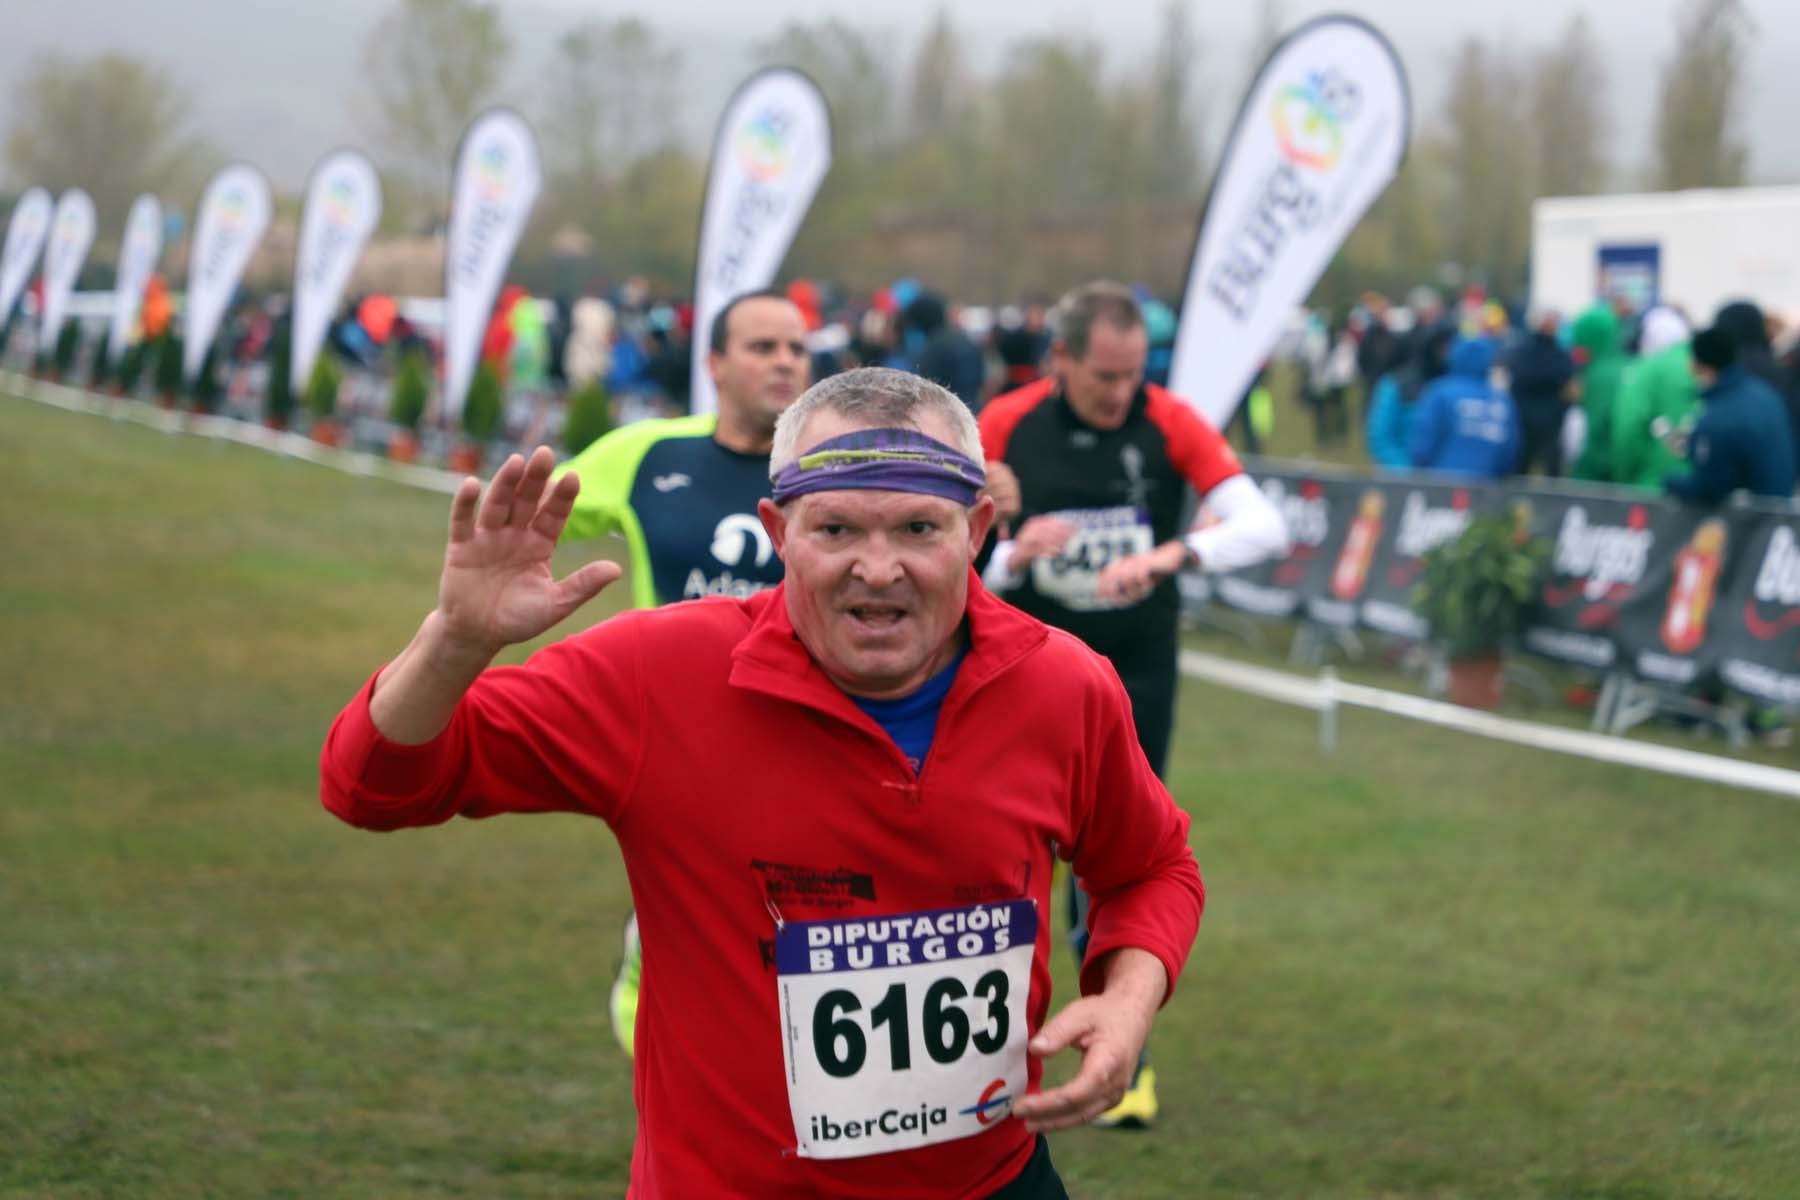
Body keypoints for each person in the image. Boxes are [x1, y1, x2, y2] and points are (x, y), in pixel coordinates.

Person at [320, 367, 1204, 1198]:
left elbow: (1152, 866)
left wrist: (1126, 1006)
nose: (879, 567)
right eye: (836, 529)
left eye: (918, 529)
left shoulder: (1064, 686)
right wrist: (454, 641)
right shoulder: (657, 674)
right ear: (779, 534)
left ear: (975, 532)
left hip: (996, 1183)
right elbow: (372, 786)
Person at [978, 281, 1286, 1128]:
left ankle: (1122, 1056)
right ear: (1061, 360)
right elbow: (957, 550)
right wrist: (1014, 554)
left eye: (1132, 375)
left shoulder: (1169, 418)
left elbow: (1265, 527)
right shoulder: (1005, 422)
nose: (1119, 394)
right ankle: (985, 1049)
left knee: (1120, 864)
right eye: (1102, 376)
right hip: (1023, 672)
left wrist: (1168, 559)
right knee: (1006, 854)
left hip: (1137, 674)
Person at [554, 289, 811, 1055]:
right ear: (716, 363)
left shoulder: (836, 464)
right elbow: (537, 508)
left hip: (816, 733)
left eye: (796, 349)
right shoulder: (649, 454)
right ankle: (653, 1018)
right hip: (678, 739)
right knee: (687, 924)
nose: (785, 362)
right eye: (763, 347)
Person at [1664, 323, 1797, 503]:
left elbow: (1712, 486)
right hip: (1779, 512)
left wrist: (1668, 482)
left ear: (1697, 364)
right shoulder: (1764, 393)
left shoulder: (1718, 415)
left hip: (1749, 520)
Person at [1406, 336, 1520, 480]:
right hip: (1485, 489)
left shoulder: (1440, 392)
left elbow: (1422, 444)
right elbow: (1509, 453)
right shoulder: (1502, 401)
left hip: (1439, 486)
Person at [1611, 306, 1698, 491]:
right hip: (1703, 492)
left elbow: (1628, 428)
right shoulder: (1709, 368)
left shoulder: (1645, 369)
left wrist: (1626, 476)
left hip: (1651, 487)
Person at [1506, 307, 1577, 477]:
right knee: (1550, 471)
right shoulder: (1560, 356)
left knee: (1520, 470)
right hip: (1549, 421)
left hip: (1526, 419)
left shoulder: (1522, 351)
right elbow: (1570, 390)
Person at [1568, 303, 1629, 482]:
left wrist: (1581, 476)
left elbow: (1595, 432)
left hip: (1601, 475)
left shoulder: (1599, 375)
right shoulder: (1627, 365)